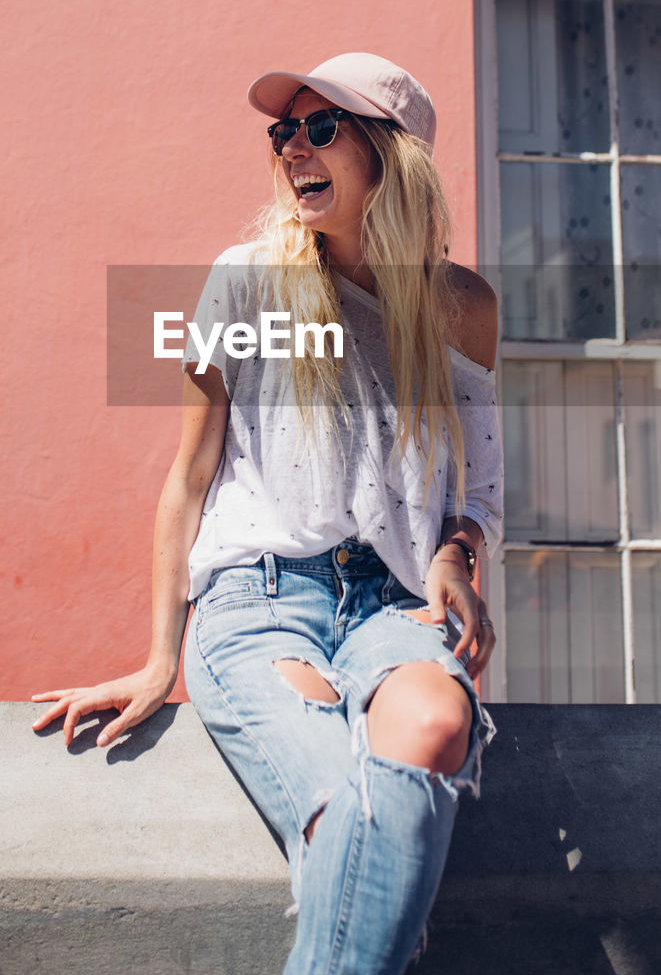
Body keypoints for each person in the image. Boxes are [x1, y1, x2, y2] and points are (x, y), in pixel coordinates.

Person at [33, 53, 503, 975]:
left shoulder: (460, 307)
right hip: (257, 604)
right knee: (347, 803)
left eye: (319, 126)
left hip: (391, 604)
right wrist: (161, 657)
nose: (292, 147)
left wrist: (455, 557)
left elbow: (475, 487)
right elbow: (189, 477)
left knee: (435, 727)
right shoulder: (246, 282)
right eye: (281, 131)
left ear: (390, 154)